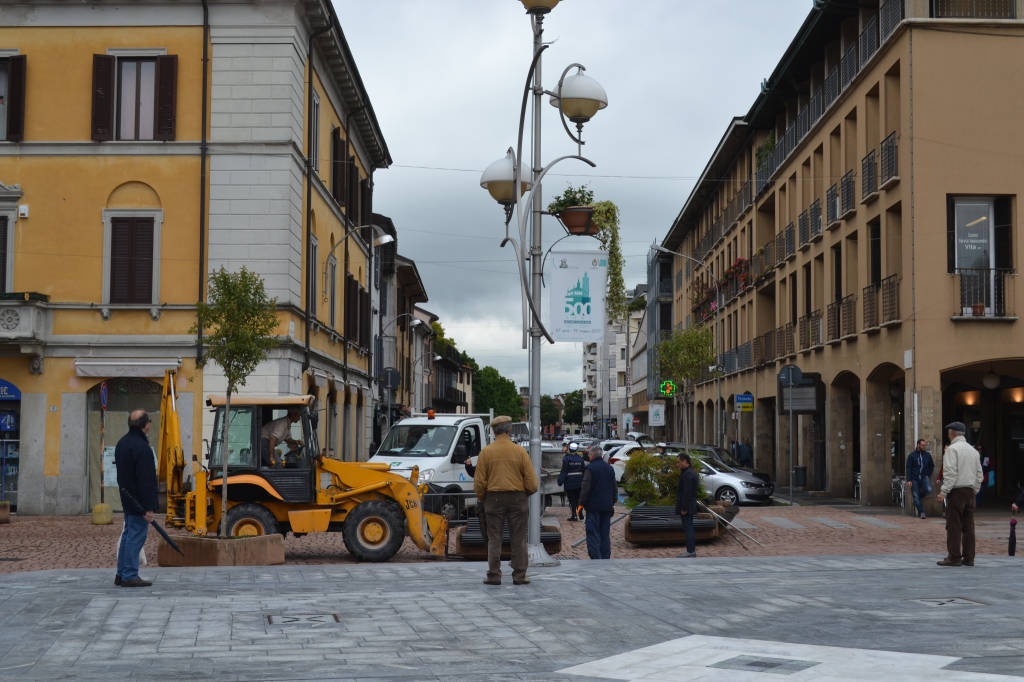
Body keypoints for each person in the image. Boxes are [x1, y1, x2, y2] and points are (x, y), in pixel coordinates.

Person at [473, 415, 538, 585]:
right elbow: (532, 482)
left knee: (494, 538)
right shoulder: (520, 451)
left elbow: (479, 482)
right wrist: (525, 493)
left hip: (493, 498)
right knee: (519, 538)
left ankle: (494, 574)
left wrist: (482, 497)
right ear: (510, 430)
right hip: (518, 497)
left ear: (494, 432)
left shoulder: (486, 452)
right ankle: (519, 575)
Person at [114, 409, 158, 587]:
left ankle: (121, 573)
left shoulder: (122, 443)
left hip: (127, 496)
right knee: (135, 535)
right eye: (148, 422)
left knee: (128, 534)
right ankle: (129, 575)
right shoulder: (142, 448)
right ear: (144, 425)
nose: (149, 425)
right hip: (139, 500)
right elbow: (146, 480)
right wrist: (148, 507)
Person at [936, 421, 984, 567]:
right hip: (970, 492)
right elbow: (979, 475)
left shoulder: (952, 450)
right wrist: (974, 489)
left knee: (954, 525)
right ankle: (969, 558)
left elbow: (950, 473)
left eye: (948, 432)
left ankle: (954, 557)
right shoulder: (973, 451)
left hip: (956, 492)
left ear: (952, 433)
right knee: (969, 527)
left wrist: (943, 492)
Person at [579, 445, 617, 559]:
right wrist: (612, 502)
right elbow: (614, 488)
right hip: (607, 507)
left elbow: (585, 489)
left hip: (593, 508)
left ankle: (596, 558)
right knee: (605, 535)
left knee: (593, 534)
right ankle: (605, 557)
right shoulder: (609, 468)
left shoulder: (590, 469)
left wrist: (580, 505)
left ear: (591, 456)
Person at [675, 452, 699, 558]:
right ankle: (690, 550)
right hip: (688, 505)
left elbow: (687, 493)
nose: (677, 464)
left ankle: (690, 550)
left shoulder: (689, 474)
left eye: (679, 462)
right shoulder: (687, 472)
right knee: (687, 527)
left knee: (688, 528)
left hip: (687, 506)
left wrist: (684, 508)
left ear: (685, 461)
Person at [905, 439, 935, 519]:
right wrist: (909, 480)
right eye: (923, 445)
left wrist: (928, 474)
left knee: (928, 489)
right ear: (918, 445)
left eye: (925, 445)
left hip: (924, 477)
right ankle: (921, 512)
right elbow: (908, 468)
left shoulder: (927, 455)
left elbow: (932, 465)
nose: (924, 446)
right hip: (914, 478)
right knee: (915, 495)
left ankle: (916, 500)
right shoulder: (912, 455)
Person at [558, 442, 587, 521]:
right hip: (579, 483)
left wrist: (560, 481)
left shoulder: (566, 459)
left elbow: (564, 471)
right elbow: (584, 471)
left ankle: (574, 515)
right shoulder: (580, 459)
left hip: (570, 483)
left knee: (572, 500)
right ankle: (580, 511)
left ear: (569, 449)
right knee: (579, 499)